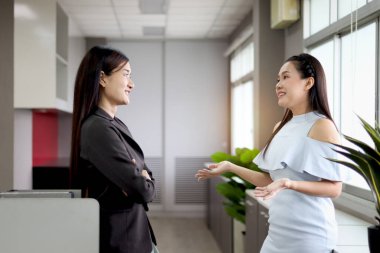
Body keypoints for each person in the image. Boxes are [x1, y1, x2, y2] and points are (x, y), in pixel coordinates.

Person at [196, 53, 348, 253]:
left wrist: (288, 183)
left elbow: (334, 189)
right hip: (277, 234)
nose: (278, 84)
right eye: (277, 79)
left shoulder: (322, 126)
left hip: (310, 237)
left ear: (308, 82)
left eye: (286, 77)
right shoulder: (281, 127)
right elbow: (269, 180)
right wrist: (230, 167)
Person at [70, 46, 158, 253]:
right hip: (122, 241)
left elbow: (144, 175)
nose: (132, 84)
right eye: (126, 75)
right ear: (102, 78)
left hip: (137, 234)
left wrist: (142, 176)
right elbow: (142, 190)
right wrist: (141, 177)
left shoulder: (114, 124)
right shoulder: (98, 128)